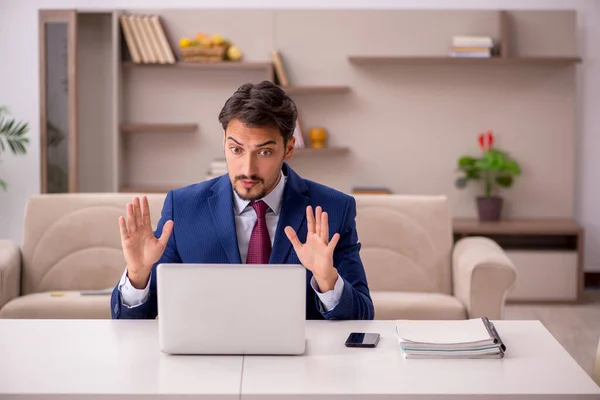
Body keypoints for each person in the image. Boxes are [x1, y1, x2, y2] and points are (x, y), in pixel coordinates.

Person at [110, 80, 374, 320]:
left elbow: (363, 316)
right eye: (236, 149)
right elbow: (131, 323)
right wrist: (138, 275)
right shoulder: (183, 208)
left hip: (301, 366)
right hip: (207, 361)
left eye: (265, 151)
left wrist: (327, 279)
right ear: (224, 141)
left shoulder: (333, 209)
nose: (248, 168)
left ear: (289, 148)